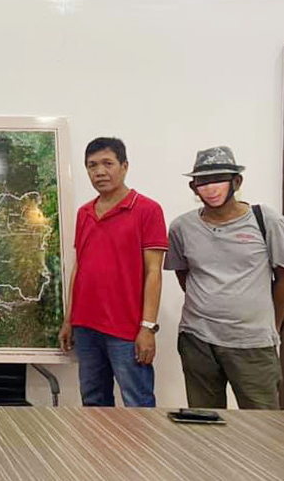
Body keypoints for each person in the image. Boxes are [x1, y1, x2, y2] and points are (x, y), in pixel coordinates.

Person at [164, 146, 283, 409]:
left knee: (263, 424)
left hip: (253, 343)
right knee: (205, 424)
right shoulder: (181, 227)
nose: (211, 187)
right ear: (193, 188)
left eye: (218, 179)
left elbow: (282, 277)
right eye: (203, 181)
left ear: (236, 181)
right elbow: (184, 274)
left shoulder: (266, 219)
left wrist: (272, 324)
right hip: (197, 341)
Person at [59, 137, 167, 407]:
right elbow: (79, 267)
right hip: (86, 327)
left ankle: (140, 452)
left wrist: (147, 328)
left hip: (127, 329)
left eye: (108, 163)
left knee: (138, 403)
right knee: (93, 402)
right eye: (92, 165)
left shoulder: (147, 210)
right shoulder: (84, 212)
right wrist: (69, 319)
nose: (100, 172)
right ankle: (97, 452)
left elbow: (154, 272)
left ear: (124, 166)